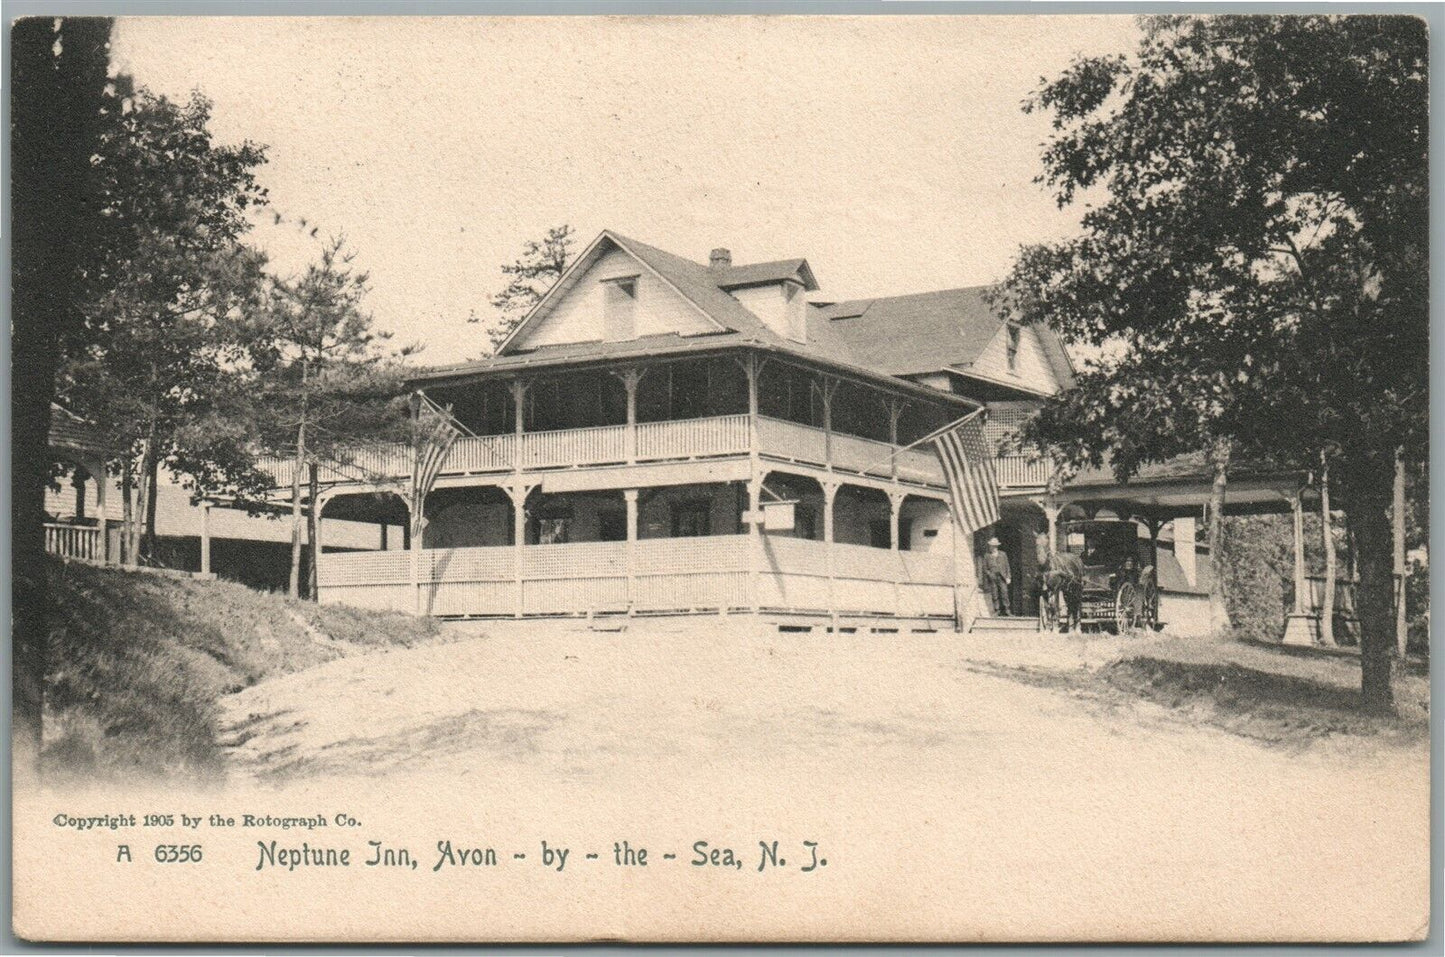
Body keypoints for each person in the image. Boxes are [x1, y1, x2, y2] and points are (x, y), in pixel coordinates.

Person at [983, 536, 1012, 616]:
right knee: (994, 593)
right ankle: (997, 610)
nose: (993, 548)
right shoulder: (987, 556)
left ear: (997, 546)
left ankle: (1007, 610)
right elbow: (985, 568)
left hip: (1002, 577)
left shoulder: (1003, 554)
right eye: (992, 546)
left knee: (1004, 592)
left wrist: (1008, 577)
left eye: (995, 546)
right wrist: (990, 574)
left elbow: (1007, 566)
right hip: (993, 577)